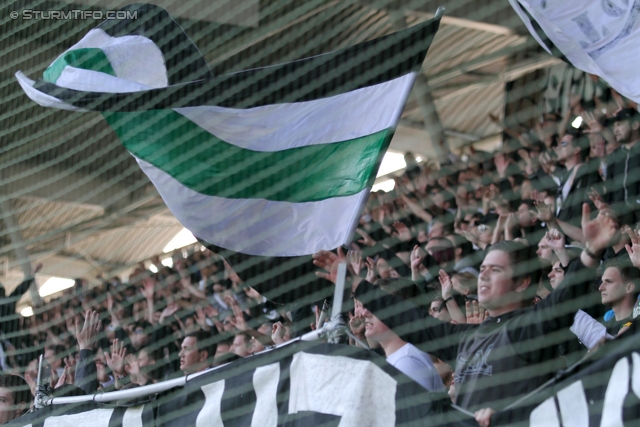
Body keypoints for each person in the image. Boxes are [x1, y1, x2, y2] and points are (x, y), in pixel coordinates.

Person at [599, 259, 639, 336]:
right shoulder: (604, 327)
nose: (600, 287)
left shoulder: (636, 326)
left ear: (629, 287)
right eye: (602, 282)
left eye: (609, 281)